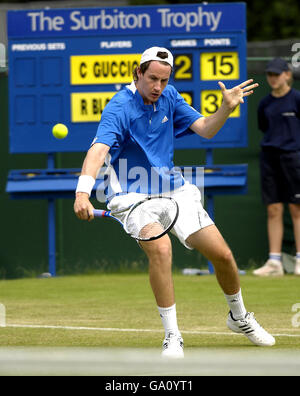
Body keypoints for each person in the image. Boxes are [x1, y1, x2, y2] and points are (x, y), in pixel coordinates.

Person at [74, 47, 275, 358]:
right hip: (132, 196)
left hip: (174, 191)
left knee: (222, 255)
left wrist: (226, 108)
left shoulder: (169, 97)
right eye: (152, 78)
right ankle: (172, 335)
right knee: (162, 249)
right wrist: (82, 192)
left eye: (164, 80)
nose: (158, 86)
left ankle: (239, 317)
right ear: (137, 73)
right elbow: (98, 151)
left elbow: (206, 130)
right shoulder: (119, 107)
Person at [253, 57, 300, 277]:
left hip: (294, 158)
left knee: (296, 208)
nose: (272, 78)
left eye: (276, 74)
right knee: (273, 209)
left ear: (287, 75)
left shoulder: (297, 99)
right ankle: (274, 262)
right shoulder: (264, 104)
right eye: (269, 74)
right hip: (269, 158)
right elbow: (264, 127)